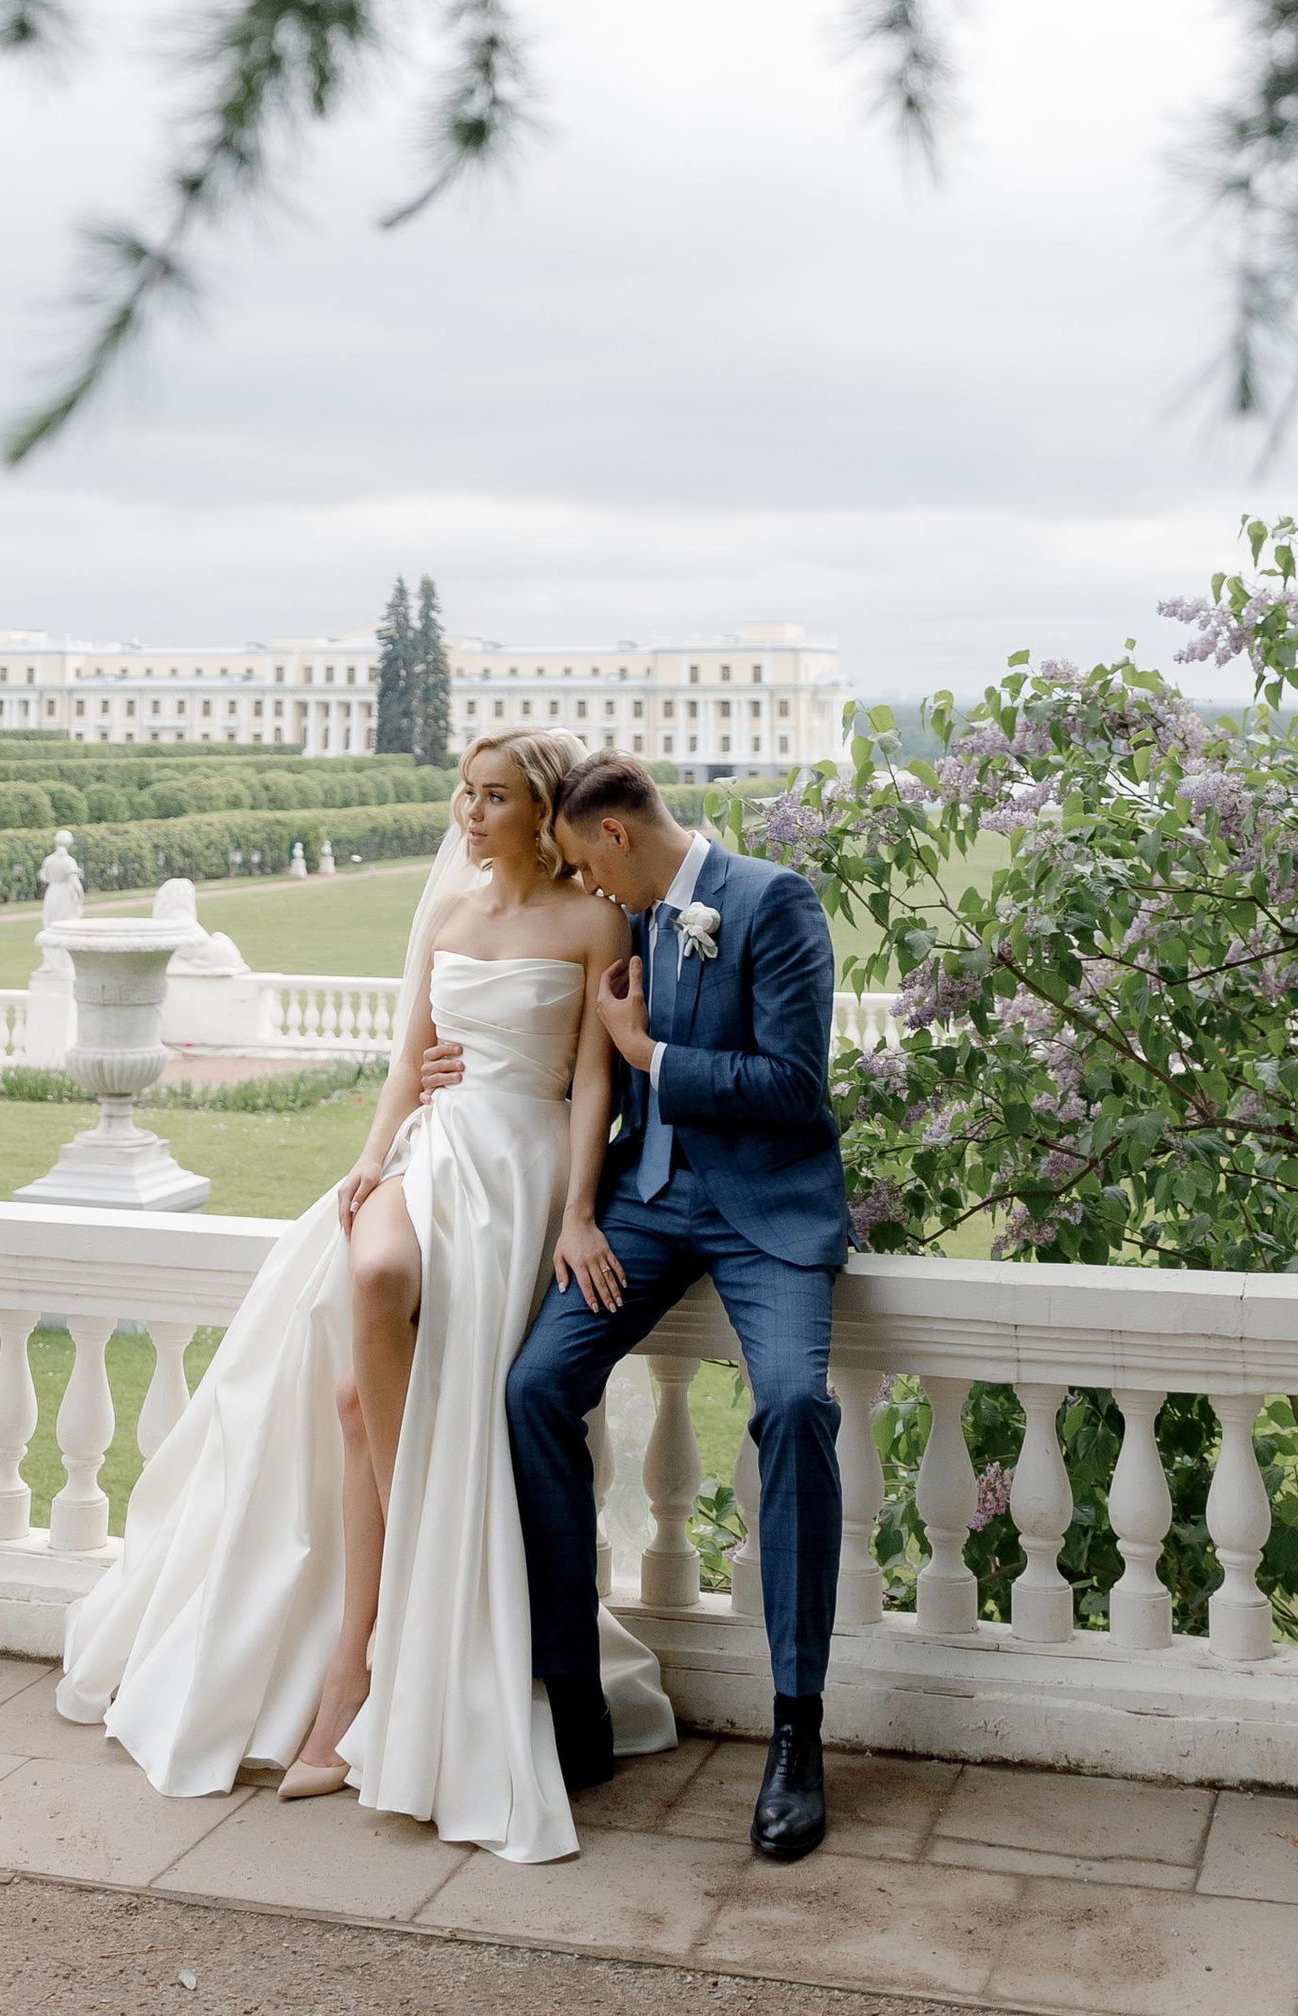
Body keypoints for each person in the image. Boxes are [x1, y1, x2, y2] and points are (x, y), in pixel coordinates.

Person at [57, 731, 675, 1862]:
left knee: (354, 1406)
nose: (469, 814)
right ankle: (396, 1586)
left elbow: (594, 1080)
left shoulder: (595, 923)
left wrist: (578, 1211)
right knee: (374, 1271)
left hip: (520, 1166)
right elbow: (410, 1056)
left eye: (494, 798)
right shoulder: (446, 918)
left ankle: (356, 1669)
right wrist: (370, 1154)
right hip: (431, 1148)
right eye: (467, 793)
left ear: (543, 813)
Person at [428, 753, 851, 1864]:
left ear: (613, 837)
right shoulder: (628, 917)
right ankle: (574, 1695)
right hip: (644, 1206)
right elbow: (572, 1059)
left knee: (797, 1407)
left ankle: (797, 1732)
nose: (585, 889)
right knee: (532, 1390)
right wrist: (452, 1069)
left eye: (582, 863)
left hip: (765, 1214)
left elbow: (794, 1083)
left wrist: (651, 1048)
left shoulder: (771, 901)